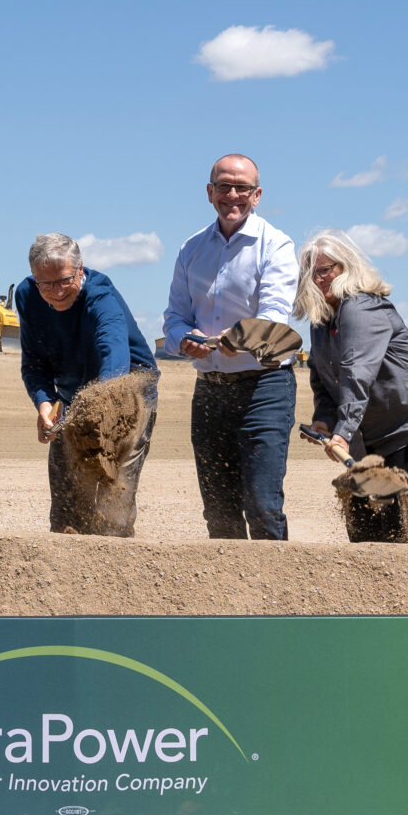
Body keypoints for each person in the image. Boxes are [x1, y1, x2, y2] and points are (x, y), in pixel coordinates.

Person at [161, 154, 300, 540]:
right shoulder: (191, 249)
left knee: (262, 503)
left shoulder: (276, 245)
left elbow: (274, 317)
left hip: (265, 388)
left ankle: (275, 592)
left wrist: (238, 340)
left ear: (257, 195)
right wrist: (184, 341)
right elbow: (174, 317)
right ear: (210, 193)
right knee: (219, 509)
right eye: (224, 186)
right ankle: (231, 598)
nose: (233, 195)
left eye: (242, 188)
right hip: (210, 391)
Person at [15, 232, 159, 536]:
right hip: (74, 395)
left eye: (65, 280)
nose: (56, 292)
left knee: (113, 499)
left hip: (126, 388)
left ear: (80, 269)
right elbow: (34, 363)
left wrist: (102, 413)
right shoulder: (28, 295)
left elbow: (113, 351)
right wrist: (44, 405)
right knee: (68, 505)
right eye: (46, 284)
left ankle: (114, 561)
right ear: (34, 278)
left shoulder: (100, 296)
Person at [297, 231, 408, 526]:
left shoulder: (360, 308)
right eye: (310, 273)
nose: (318, 279)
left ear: (345, 266)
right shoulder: (322, 319)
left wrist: (342, 432)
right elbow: (323, 379)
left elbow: (356, 374)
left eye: (325, 270)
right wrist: (325, 420)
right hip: (370, 440)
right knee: (364, 532)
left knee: (400, 528)